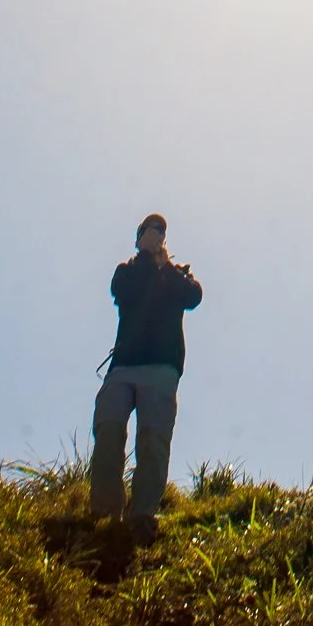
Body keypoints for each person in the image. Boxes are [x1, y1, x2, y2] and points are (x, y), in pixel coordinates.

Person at [89, 214, 203, 545]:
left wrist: (164, 265)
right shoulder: (127, 272)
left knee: (153, 441)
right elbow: (121, 292)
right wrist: (144, 260)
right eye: (149, 231)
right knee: (108, 430)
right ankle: (105, 514)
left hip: (162, 369)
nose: (156, 235)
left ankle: (142, 516)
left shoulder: (177, 274)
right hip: (123, 367)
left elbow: (193, 297)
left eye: (160, 232)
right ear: (138, 238)